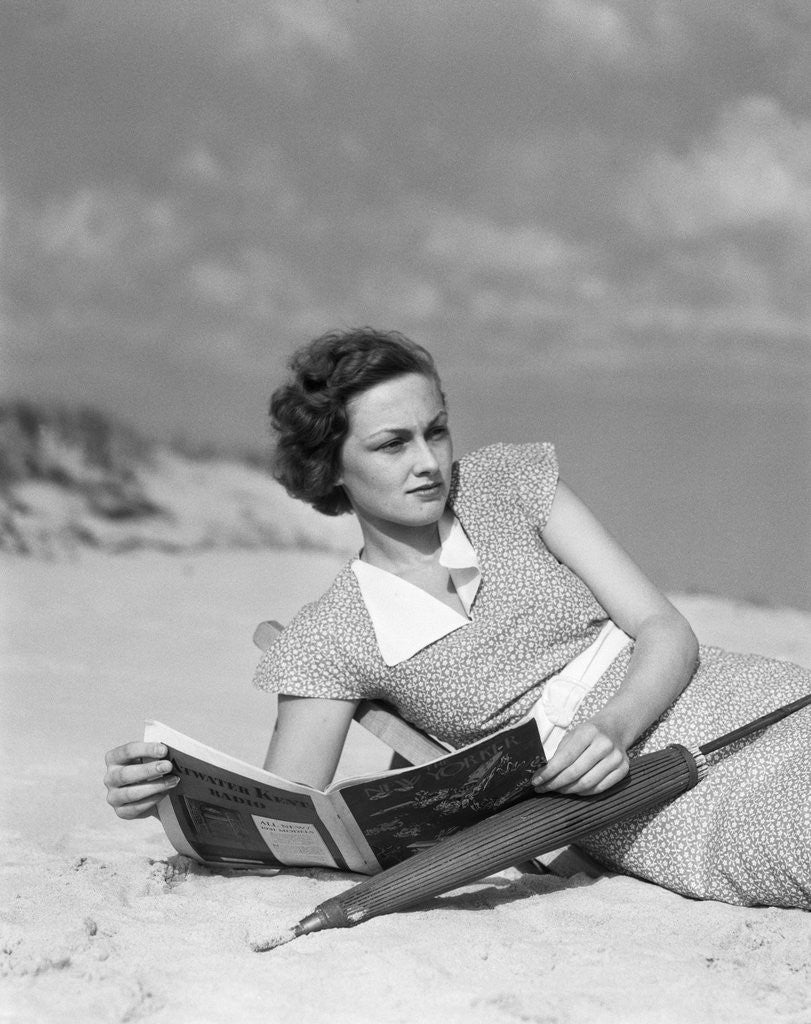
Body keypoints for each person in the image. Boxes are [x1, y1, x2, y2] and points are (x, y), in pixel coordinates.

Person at [104, 327, 810, 909]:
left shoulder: (505, 484)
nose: (428, 463)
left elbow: (663, 628)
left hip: (710, 696)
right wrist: (162, 799)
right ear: (331, 466)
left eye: (435, 432)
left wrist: (615, 725)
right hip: (624, 798)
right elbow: (285, 820)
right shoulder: (334, 634)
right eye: (391, 444)